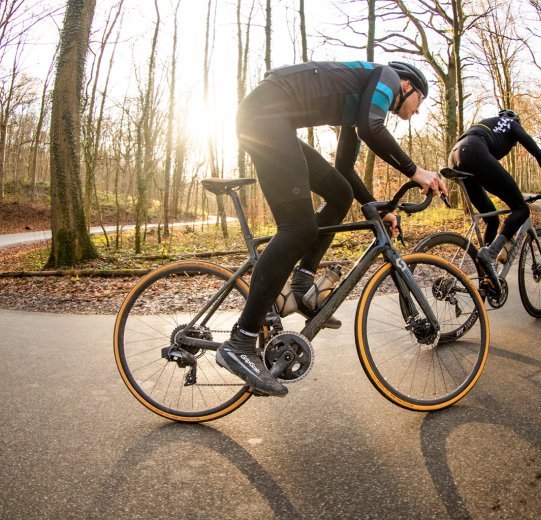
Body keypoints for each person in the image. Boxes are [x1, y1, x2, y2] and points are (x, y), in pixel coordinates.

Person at [216, 60, 447, 397]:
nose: (416, 111)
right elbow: (373, 128)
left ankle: (301, 287)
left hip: (271, 120)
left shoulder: (357, 111)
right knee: (298, 228)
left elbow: (344, 171)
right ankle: (241, 340)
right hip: (264, 117)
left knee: (339, 194)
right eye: (419, 102)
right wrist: (416, 171)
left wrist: (375, 208)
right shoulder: (385, 77)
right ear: (407, 86)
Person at [448, 109, 541, 293]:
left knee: (492, 219)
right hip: (474, 150)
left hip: (455, 155)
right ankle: (490, 253)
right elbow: (533, 147)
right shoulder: (510, 123)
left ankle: (486, 279)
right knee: (521, 209)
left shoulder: (489, 124)